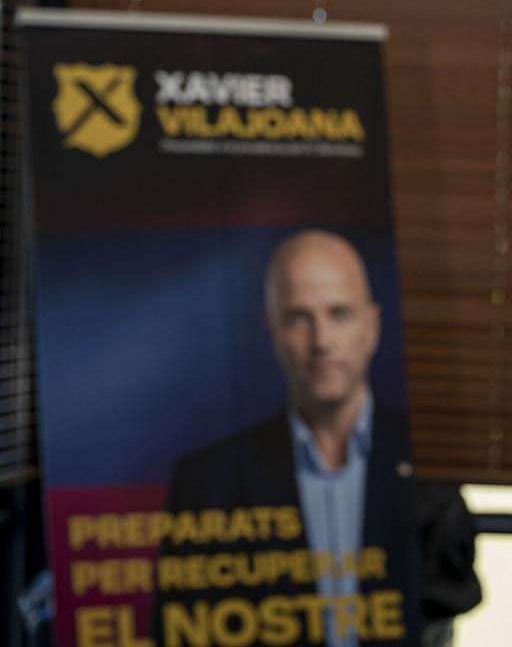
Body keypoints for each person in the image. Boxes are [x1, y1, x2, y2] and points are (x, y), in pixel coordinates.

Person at [158, 230, 479, 647]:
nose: (322, 342)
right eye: (298, 318)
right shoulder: (207, 481)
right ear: (270, 330)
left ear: (372, 326)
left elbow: (452, 600)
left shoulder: (428, 469)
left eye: (339, 314)